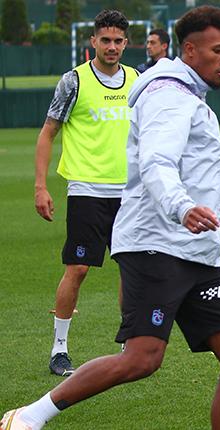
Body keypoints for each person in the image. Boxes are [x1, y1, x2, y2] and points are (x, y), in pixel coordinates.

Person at [2, 6, 220, 430]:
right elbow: (157, 162)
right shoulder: (168, 95)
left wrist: (213, 210)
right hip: (157, 246)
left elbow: (184, 167)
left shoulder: (184, 95)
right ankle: (29, 418)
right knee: (142, 358)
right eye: (218, 50)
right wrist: (181, 207)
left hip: (196, 251)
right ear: (191, 50)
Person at [33, 9, 139, 377]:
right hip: (86, 191)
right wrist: (41, 185)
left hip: (130, 194)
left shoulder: (137, 80)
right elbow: (48, 132)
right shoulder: (73, 81)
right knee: (77, 268)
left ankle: (130, 346)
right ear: (93, 41)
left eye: (118, 41)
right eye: (105, 40)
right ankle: (59, 348)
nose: (111, 47)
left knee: (132, 268)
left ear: (126, 43)